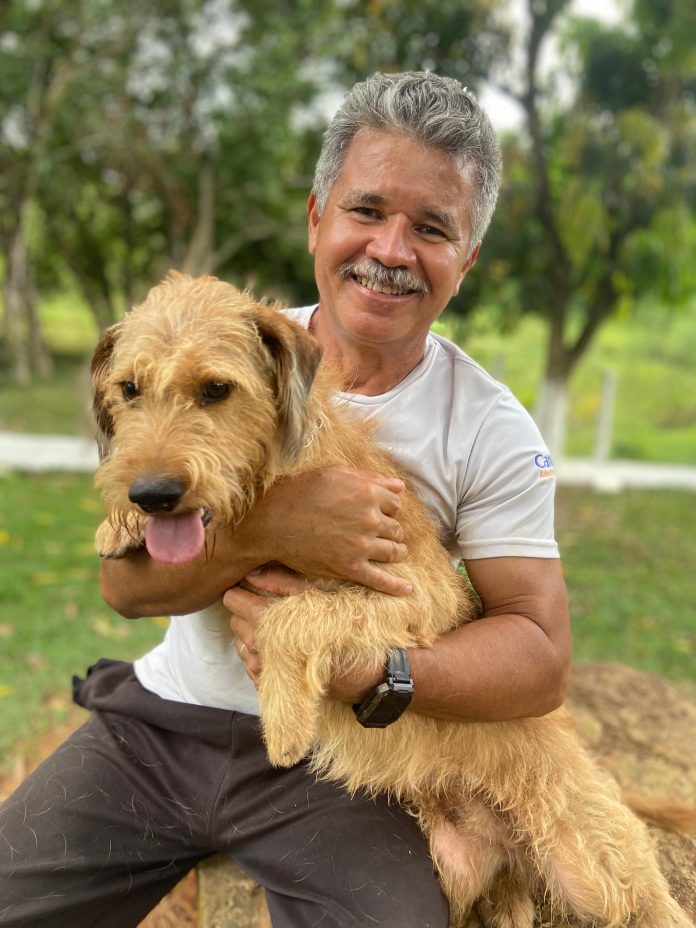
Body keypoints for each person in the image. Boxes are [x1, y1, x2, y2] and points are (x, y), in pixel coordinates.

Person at [0, 71, 570, 927]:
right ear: (316, 218)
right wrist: (277, 528)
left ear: (467, 259)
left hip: (340, 764)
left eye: (432, 228)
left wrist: (379, 674)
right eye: (366, 210)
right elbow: (124, 588)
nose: (390, 249)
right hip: (160, 727)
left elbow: (540, 652)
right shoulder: (222, 343)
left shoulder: (489, 428)